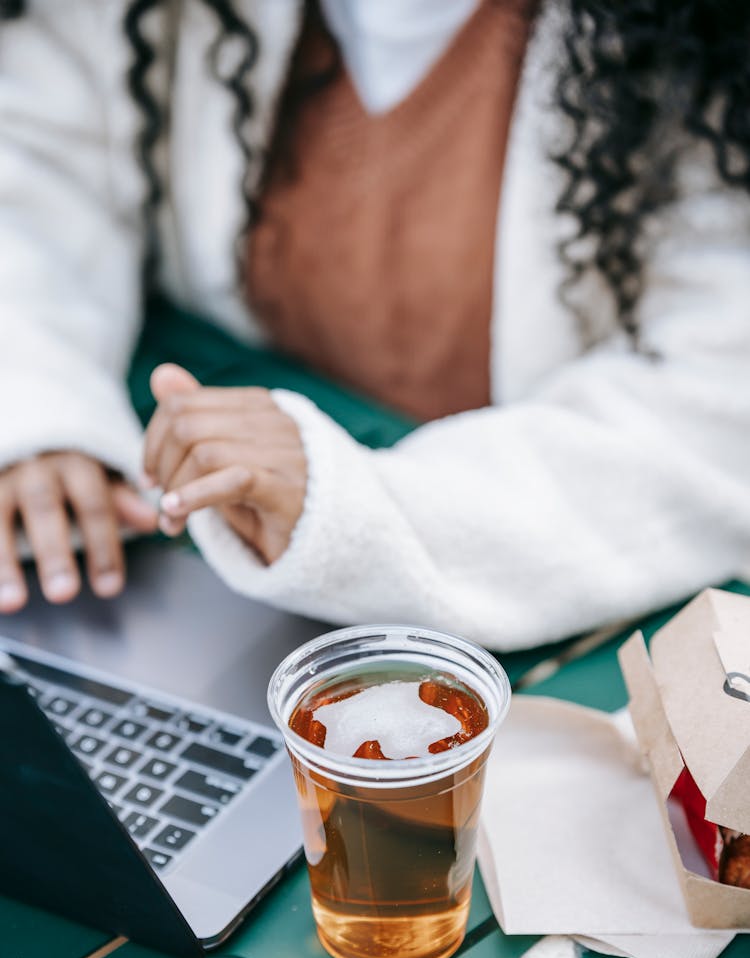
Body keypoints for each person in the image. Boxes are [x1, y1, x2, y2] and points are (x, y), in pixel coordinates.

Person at [1, 1, 749, 651]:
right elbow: (32, 164)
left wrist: (353, 507)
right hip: (185, 582)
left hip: (525, 601)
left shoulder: (697, 41)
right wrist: (39, 403)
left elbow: (715, 407)